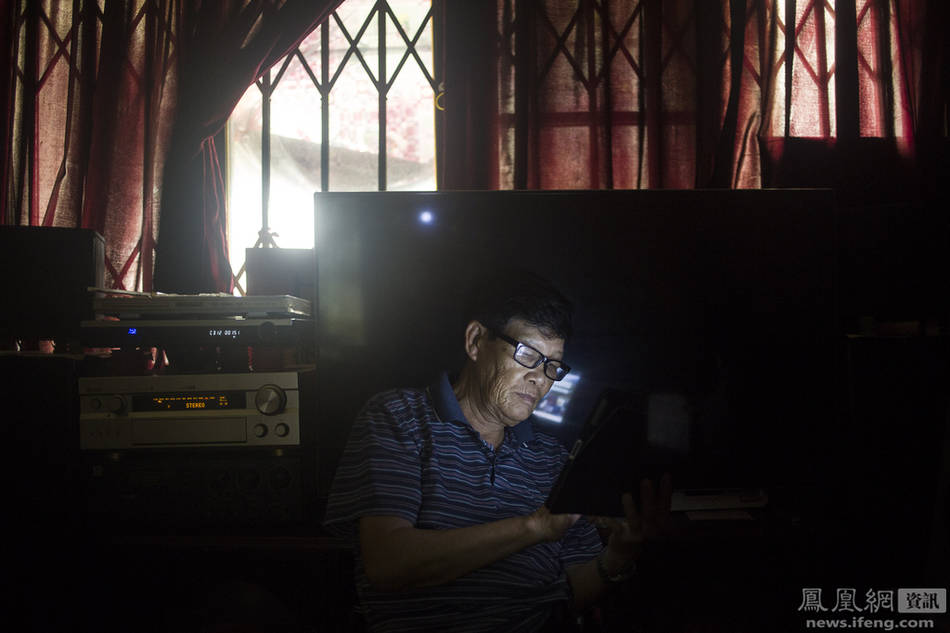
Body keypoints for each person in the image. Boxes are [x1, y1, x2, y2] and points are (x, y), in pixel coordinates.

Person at [323, 272, 672, 632]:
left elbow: (569, 595)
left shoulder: (553, 459)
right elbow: (387, 564)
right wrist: (534, 527)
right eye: (528, 354)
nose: (541, 379)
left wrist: (620, 554)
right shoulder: (399, 418)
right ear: (476, 341)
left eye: (552, 365)